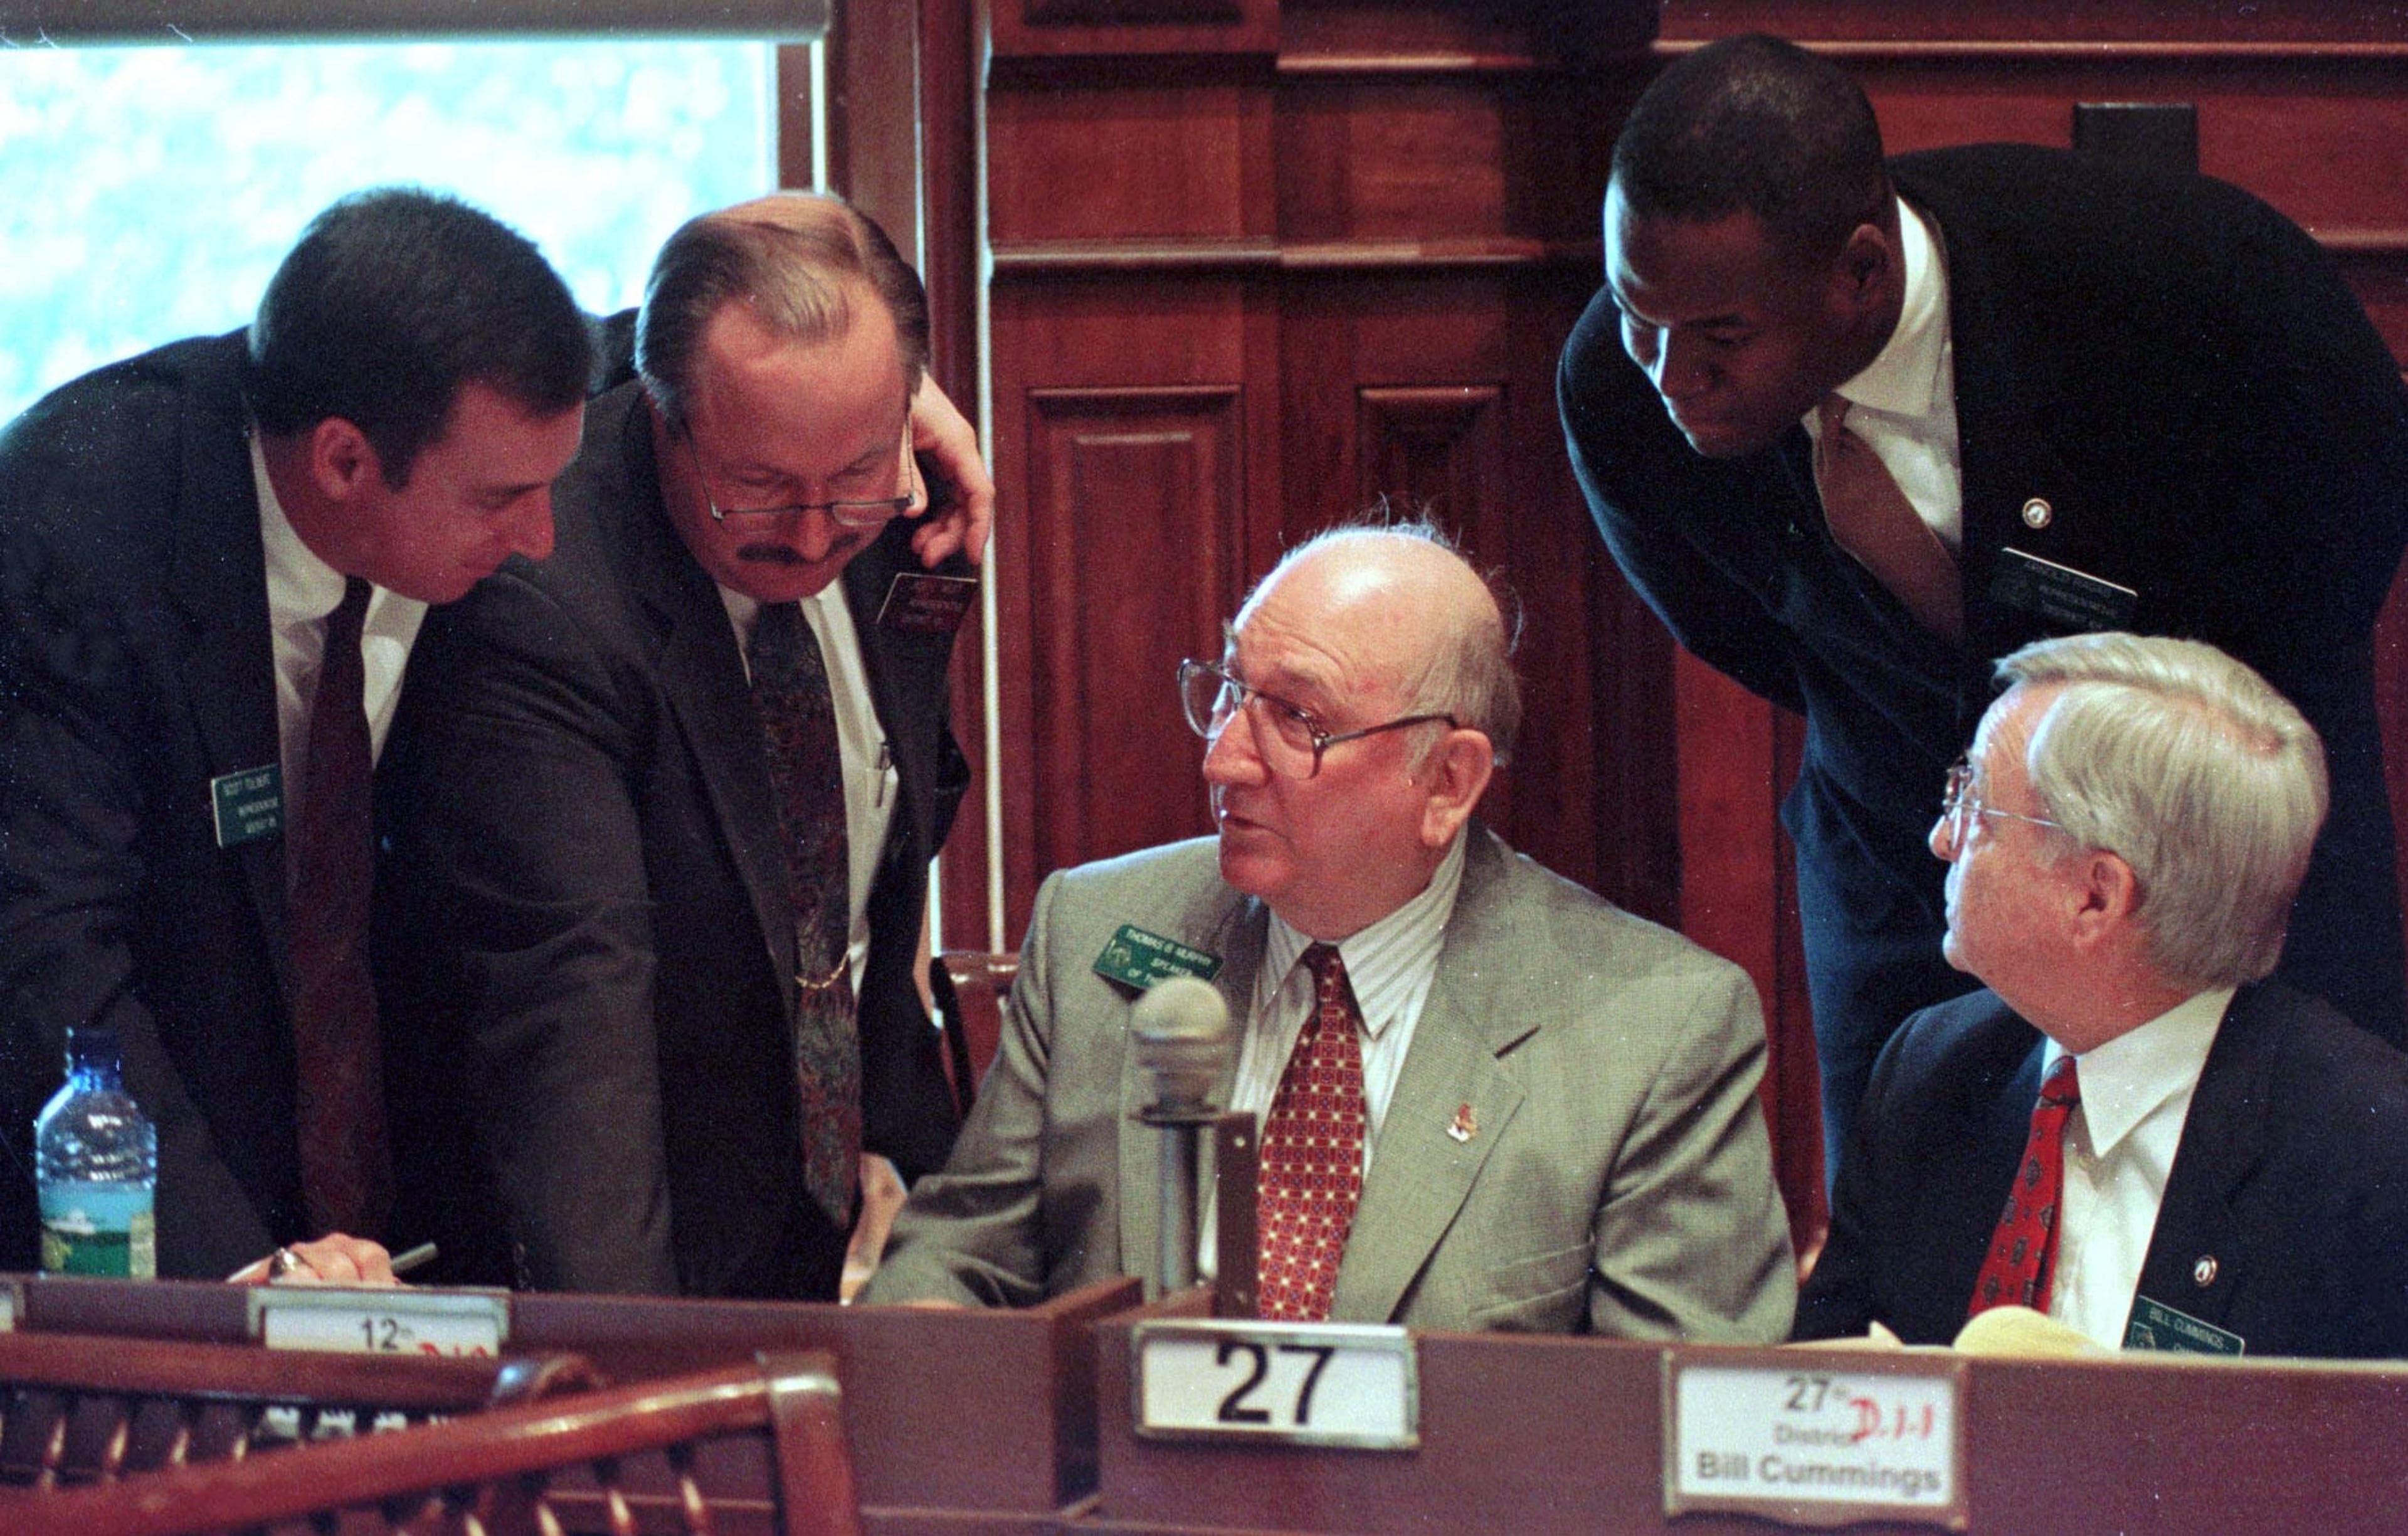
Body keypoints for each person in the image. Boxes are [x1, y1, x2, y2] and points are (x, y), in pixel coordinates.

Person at [1556, 33, 2408, 1172]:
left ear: (1861, 273)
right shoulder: (1620, 393)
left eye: (1720, 340)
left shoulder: (2178, 281)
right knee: (1917, 1261)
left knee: (2277, 1232)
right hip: (1905, 855)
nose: (1670, 376)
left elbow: (2348, 521)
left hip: (2213, 848)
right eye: (1637, 316)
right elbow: (1754, 631)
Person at [864, 524, 1795, 1340]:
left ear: (1448, 783)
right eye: (1230, 691)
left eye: (1297, 719)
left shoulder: (1654, 1032)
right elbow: (954, 1254)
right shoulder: (1098, 932)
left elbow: (1670, 1420)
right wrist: (938, 1356)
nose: (1222, 758)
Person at [374, 193, 981, 1301]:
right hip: (636, 1236)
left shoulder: (911, 507)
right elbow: (573, 1018)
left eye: (851, 476)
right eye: (754, 485)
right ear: (659, 411)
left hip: (853, 1221)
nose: (809, 532)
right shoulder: (545, 602)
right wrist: (633, 1379)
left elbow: (882, 838)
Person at [0, 188, 594, 1283]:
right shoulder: (67, 532)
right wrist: (235, 1281)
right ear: (342, 463)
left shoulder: (452, 413)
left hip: (399, 1232)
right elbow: (46, 960)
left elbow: (698, 336)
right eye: (502, 499)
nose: (542, 538)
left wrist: (902, 396)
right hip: (139, 1225)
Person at [1796, 633, 2408, 1359]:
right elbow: (1814, 1392)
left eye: (1976, 805)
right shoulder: (1934, 1070)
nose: (1940, 838)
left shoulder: (2367, 1154)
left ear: (2096, 895)